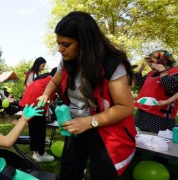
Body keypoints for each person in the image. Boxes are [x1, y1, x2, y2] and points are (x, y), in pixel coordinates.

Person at [37, 11, 136, 179]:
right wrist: (46, 94)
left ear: (84, 42)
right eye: (58, 43)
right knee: (69, 171)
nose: (60, 49)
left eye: (66, 44)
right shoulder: (66, 60)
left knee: (103, 173)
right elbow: (54, 81)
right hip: (76, 125)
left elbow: (125, 107)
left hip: (105, 129)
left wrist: (90, 122)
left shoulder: (112, 65)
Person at [134, 50, 178, 133]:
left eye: (152, 61)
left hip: (160, 117)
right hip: (142, 112)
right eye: (148, 62)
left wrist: (163, 71)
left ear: (162, 61)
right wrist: (139, 72)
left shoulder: (175, 72)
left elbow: (170, 86)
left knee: (155, 141)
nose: (150, 64)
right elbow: (140, 83)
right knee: (139, 137)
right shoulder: (151, 73)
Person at [19, 67, 57, 162]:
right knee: (40, 129)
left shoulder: (43, 78)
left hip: (28, 103)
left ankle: (35, 153)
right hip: (36, 104)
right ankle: (40, 154)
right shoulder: (53, 80)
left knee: (33, 129)